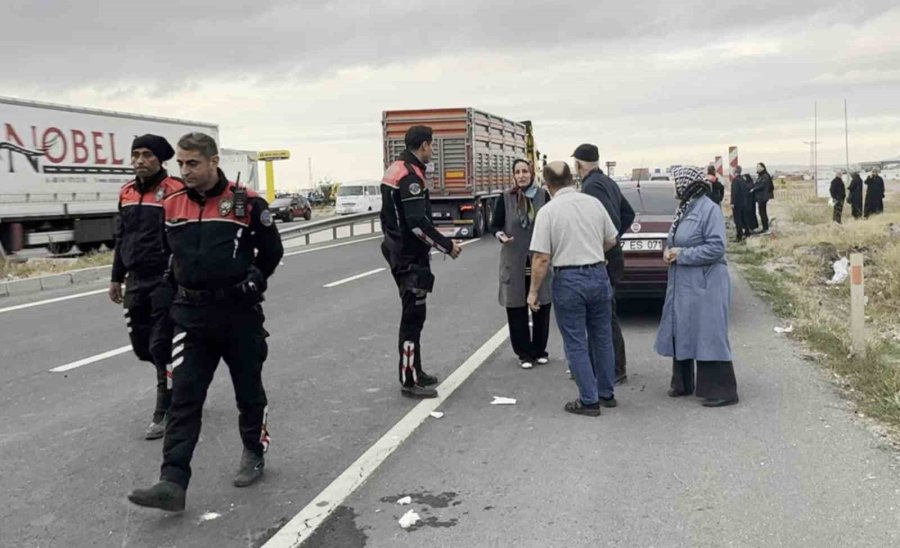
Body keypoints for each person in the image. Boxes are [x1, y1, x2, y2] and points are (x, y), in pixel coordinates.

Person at [127, 133, 284, 512]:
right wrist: (167, 292)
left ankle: (253, 451)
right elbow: (168, 254)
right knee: (184, 399)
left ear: (213, 161)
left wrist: (255, 279)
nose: (185, 170)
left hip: (238, 315)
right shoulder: (172, 203)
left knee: (248, 391)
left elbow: (272, 250)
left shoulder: (245, 202)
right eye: (181, 163)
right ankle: (173, 481)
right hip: (190, 317)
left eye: (192, 163)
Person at [528, 161, 619, 417]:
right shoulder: (593, 203)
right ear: (572, 179)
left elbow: (542, 258)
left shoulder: (548, 212)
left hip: (569, 280)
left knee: (576, 341)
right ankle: (606, 393)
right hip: (598, 274)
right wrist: (592, 252)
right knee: (602, 337)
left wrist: (533, 291)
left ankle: (589, 400)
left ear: (547, 185)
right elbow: (611, 239)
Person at [380, 125, 463, 399]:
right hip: (409, 256)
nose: (432, 151)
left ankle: (416, 370)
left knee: (417, 316)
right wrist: (447, 245)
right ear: (425, 145)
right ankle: (409, 379)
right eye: (431, 146)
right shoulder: (410, 177)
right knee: (412, 319)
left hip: (397, 251)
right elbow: (416, 223)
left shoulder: (397, 168)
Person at [109, 135, 182, 440]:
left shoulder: (176, 190)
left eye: (147, 155)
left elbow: (185, 237)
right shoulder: (125, 192)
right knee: (142, 347)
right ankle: (180, 380)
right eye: (135, 154)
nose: (139, 160)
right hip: (134, 281)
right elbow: (121, 237)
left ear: (160, 159)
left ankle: (164, 409)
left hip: (165, 280)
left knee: (160, 346)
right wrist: (116, 276)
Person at [654, 166, 739, 407]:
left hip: (706, 282)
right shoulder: (685, 208)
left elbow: (716, 248)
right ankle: (682, 383)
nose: (674, 187)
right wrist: (668, 251)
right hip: (685, 283)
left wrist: (682, 254)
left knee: (709, 334)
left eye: (676, 183)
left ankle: (723, 390)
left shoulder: (708, 209)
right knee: (683, 329)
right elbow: (675, 239)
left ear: (686, 184)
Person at [573, 143, 635, 384]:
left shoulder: (592, 187)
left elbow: (604, 218)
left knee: (603, 316)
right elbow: (627, 214)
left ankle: (613, 369)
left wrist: (605, 243)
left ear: (578, 164)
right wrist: (616, 236)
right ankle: (605, 366)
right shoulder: (608, 182)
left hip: (603, 258)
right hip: (612, 255)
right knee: (605, 314)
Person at [491, 159, 552, 369]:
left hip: (538, 257)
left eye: (525, 171)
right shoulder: (505, 198)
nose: (521, 175)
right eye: (517, 172)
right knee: (516, 305)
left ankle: (539, 349)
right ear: (513, 175)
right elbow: (495, 226)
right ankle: (524, 353)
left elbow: (552, 222)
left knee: (541, 303)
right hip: (514, 258)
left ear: (531, 173)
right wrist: (501, 236)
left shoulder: (543, 196)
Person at [729, 165, 756, 241]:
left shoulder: (735, 180)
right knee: (744, 218)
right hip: (744, 202)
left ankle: (739, 236)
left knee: (738, 220)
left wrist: (732, 202)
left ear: (735, 172)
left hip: (737, 203)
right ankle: (747, 233)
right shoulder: (743, 180)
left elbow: (734, 192)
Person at [750, 162, 773, 233]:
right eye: (757, 167)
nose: (757, 168)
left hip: (763, 197)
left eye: (758, 167)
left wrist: (754, 189)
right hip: (761, 197)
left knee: (762, 212)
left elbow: (762, 185)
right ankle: (765, 227)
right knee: (762, 212)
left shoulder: (765, 176)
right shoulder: (761, 176)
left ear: (763, 167)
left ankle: (765, 228)